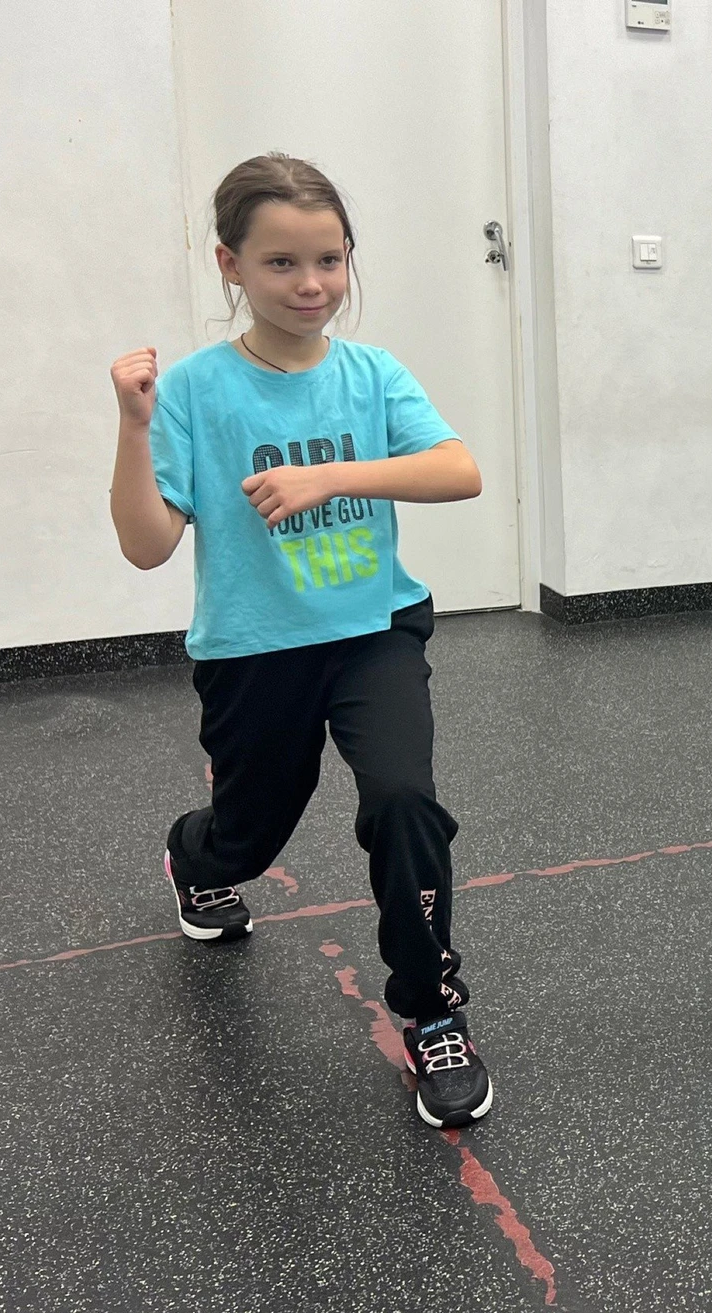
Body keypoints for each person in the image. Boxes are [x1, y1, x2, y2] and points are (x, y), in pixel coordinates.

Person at [106, 153, 496, 1126]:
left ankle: (431, 1009)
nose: (312, 283)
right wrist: (132, 428)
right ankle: (197, 857)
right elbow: (147, 545)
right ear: (229, 264)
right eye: (281, 262)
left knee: (404, 798)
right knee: (249, 833)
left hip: (374, 630)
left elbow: (458, 470)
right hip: (253, 648)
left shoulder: (371, 374)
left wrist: (331, 477)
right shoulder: (194, 390)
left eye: (329, 258)